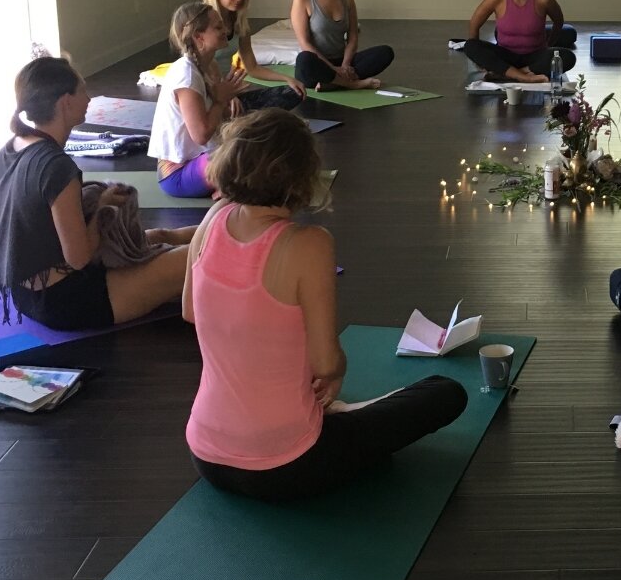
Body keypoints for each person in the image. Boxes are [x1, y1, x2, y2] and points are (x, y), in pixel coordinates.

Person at [182, 108, 468, 502]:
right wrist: (335, 377)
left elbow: (190, 312)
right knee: (445, 393)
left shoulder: (214, 217)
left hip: (207, 454)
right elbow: (325, 364)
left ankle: (340, 417)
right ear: (303, 176)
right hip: (286, 466)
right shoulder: (308, 243)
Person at [0, 56, 193, 329]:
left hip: (25, 295)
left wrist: (102, 198)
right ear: (65, 102)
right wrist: (101, 208)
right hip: (66, 300)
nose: (89, 98)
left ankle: (228, 227)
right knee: (195, 257)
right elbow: (79, 257)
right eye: (83, 90)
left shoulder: (10, 148)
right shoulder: (56, 167)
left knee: (162, 236)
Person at [150, 2, 247, 197]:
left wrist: (228, 102)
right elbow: (201, 135)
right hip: (178, 174)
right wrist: (221, 100)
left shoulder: (209, 66)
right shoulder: (186, 74)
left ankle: (229, 185)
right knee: (244, 154)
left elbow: (217, 119)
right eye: (218, 27)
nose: (225, 30)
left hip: (203, 159)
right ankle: (227, 188)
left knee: (257, 139)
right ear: (198, 36)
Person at [203, 0, 306, 111]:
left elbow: (252, 67)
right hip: (209, 96)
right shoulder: (203, 24)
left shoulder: (239, 23)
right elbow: (203, 73)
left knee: (293, 92)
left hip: (231, 94)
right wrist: (227, 96)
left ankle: (246, 117)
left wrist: (288, 79)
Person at [463, 0, 576, 83]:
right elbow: (474, 24)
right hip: (505, 56)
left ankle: (510, 74)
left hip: (534, 57)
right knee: (470, 46)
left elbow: (559, 21)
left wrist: (548, 45)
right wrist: (481, 59)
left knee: (568, 57)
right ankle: (522, 76)